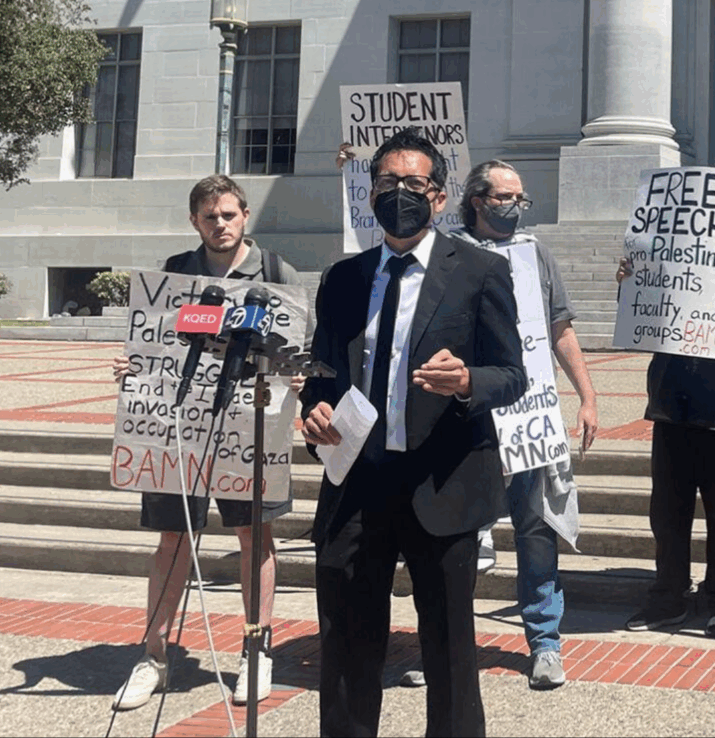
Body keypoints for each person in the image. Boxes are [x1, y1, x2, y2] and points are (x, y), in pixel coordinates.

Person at [301, 128, 526, 737]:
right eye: (386, 183)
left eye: (413, 183)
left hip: (442, 482)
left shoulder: (480, 271)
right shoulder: (343, 278)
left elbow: (513, 375)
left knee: (450, 648)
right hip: (358, 483)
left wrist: (467, 381)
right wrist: (315, 412)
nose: (398, 194)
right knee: (347, 642)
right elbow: (322, 372)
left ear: (441, 195)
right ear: (370, 191)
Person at [110, 174, 304, 709]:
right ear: (194, 221)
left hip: (248, 428)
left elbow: (293, 347)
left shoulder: (274, 272)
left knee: (253, 537)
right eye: (209, 216)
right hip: (179, 429)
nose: (220, 224)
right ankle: (153, 656)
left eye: (229, 214)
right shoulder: (174, 274)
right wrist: (135, 367)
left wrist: (300, 378)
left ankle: (255, 653)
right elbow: (154, 344)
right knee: (171, 540)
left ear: (245, 216)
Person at [453, 160, 598, 687]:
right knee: (459, 534)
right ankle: (446, 645)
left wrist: (587, 396)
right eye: (505, 197)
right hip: (470, 420)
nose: (515, 206)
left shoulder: (535, 253)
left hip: (528, 412)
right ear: (478, 200)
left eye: (520, 198)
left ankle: (544, 642)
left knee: (535, 531)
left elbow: (560, 327)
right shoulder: (449, 253)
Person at [616, 246, 715, 639]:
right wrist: (632, 285)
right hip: (672, 411)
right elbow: (638, 322)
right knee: (667, 514)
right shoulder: (668, 273)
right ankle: (669, 596)